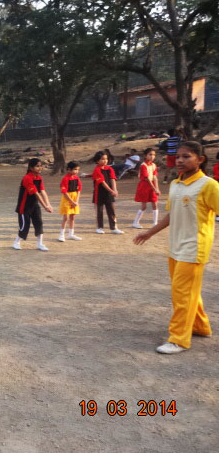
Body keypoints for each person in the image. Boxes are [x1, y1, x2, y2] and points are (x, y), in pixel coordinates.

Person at [134, 141, 219, 354]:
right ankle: (200, 326)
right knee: (187, 291)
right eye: (178, 156)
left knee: (182, 294)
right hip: (175, 246)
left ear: (200, 159)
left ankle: (179, 339)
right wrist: (150, 232)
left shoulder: (209, 185)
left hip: (194, 247)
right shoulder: (175, 184)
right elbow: (172, 214)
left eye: (186, 156)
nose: (180, 160)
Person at [13, 158, 53, 251]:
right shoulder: (27, 178)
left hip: (34, 205)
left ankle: (40, 244)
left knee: (39, 223)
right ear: (31, 168)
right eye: (37, 166)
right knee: (24, 226)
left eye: (41, 166)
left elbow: (43, 191)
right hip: (24, 206)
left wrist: (48, 204)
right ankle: (16, 242)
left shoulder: (39, 178)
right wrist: (45, 207)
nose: (40, 168)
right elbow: (36, 194)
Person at [92, 151, 124, 235]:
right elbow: (102, 182)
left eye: (106, 159)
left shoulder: (110, 169)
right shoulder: (96, 170)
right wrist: (111, 191)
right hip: (99, 193)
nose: (105, 161)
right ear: (97, 161)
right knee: (99, 211)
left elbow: (112, 179)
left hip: (109, 193)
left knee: (111, 210)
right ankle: (99, 228)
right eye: (102, 159)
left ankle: (114, 228)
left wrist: (115, 189)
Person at [132, 148, 161, 229]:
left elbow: (155, 177)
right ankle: (135, 222)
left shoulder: (154, 165)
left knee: (155, 204)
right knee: (144, 206)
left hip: (152, 185)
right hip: (144, 186)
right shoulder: (143, 165)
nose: (152, 156)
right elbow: (147, 178)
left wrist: (157, 188)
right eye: (150, 154)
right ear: (145, 156)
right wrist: (155, 189)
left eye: (154, 155)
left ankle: (155, 223)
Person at [58, 161, 82, 242]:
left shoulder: (77, 179)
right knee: (66, 217)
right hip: (67, 199)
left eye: (77, 169)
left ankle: (71, 234)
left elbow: (79, 190)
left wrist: (76, 201)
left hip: (75, 199)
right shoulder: (65, 179)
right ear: (69, 169)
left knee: (73, 217)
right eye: (75, 169)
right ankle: (61, 235)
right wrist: (72, 202)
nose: (76, 171)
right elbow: (64, 192)